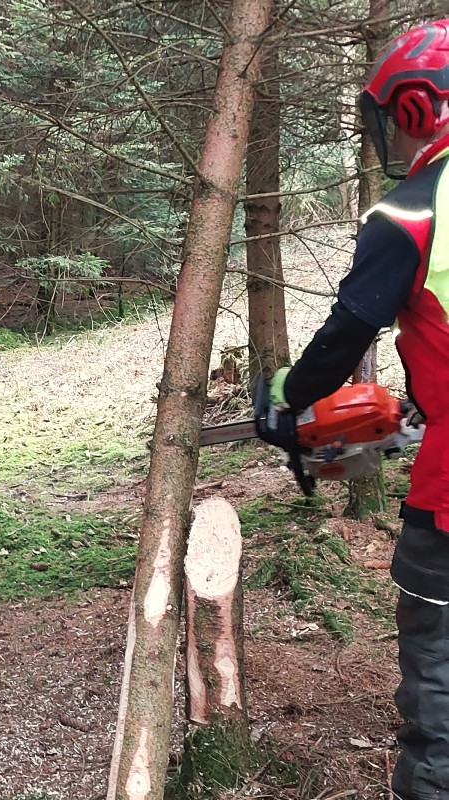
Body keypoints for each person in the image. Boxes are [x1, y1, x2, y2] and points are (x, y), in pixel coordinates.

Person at [263, 19, 449, 800]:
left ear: (416, 108)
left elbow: (347, 331)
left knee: (439, 683)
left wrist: (288, 400)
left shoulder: (414, 210)